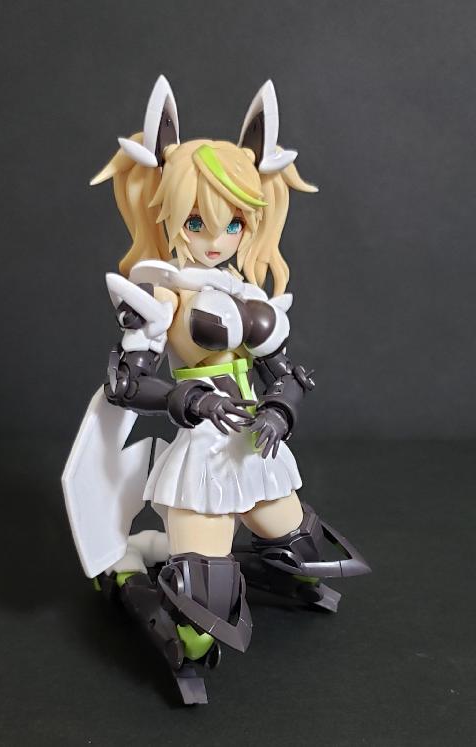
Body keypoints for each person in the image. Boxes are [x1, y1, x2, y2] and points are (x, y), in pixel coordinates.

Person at [63, 76, 370, 704]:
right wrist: (187, 400)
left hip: (255, 445)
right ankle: (140, 587)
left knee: (302, 545)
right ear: (171, 215)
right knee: (204, 603)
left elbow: (287, 373)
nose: (214, 239)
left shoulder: (249, 289)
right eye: (197, 221)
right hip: (203, 452)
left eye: (232, 223)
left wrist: (280, 410)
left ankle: (267, 571)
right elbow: (126, 383)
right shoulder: (162, 292)